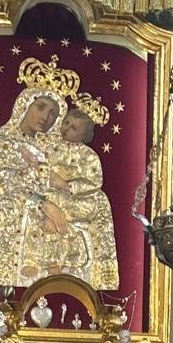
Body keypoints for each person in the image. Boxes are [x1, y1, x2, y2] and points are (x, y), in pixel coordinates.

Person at [0, 87, 70, 289]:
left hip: (37, 238)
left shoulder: (45, 152)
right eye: (41, 107)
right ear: (24, 105)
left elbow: (54, 188)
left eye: (53, 114)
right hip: (1, 236)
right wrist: (41, 203)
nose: (46, 117)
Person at [42, 102, 121, 291]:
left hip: (79, 199)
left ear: (84, 135)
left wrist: (66, 185)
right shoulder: (50, 148)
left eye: (74, 128)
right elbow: (40, 169)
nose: (66, 129)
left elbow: (94, 181)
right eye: (66, 123)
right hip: (53, 196)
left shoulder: (89, 156)